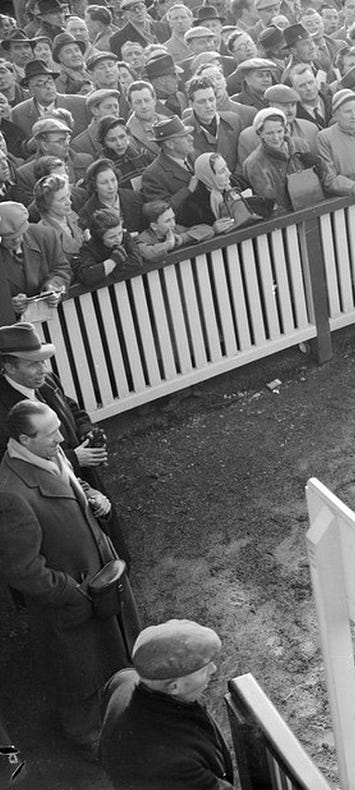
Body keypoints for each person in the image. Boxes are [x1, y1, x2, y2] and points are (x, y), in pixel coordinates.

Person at [0, 400, 140, 755]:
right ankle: (89, 739)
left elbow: (71, 483)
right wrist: (72, 592)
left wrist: (93, 497)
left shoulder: (46, 454)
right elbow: (23, 571)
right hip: (69, 602)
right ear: (23, 440)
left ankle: (120, 713)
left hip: (100, 580)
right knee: (79, 672)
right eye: (51, 436)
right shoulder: (10, 495)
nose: (62, 439)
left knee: (111, 653)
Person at [0, 322, 131, 560]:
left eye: (42, 361)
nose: (42, 369)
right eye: (33, 364)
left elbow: (73, 409)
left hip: (85, 476)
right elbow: (8, 462)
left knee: (107, 532)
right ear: (9, 367)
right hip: (50, 496)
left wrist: (87, 432)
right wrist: (73, 458)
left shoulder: (47, 380)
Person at [99, 619, 233, 789]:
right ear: (174, 686)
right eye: (203, 668)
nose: (213, 669)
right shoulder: (177, 763)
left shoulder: (123, 680)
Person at [0, 201, 68, 325]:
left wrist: (53, 287)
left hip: (57, 320)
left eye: (21, 233)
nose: (17, 240)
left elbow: (61, 268)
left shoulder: (45, 236)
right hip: (15, 329)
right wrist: (9, 306)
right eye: (9, 238)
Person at [243, 107, 319, 214]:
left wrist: (318, 166)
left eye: (279, 131)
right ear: (260, 133)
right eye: (270, 133)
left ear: (285, 129)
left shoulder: (300, 145)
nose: (276, 137)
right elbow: (269, 202)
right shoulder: (254, 164)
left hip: (314, 208)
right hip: (285, 220)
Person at [75, 208, 143, 286]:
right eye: (112, 237)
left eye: (119, 233)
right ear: (99, 238)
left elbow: (137, 261)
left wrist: (106, 272)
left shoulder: (125, 236)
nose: (118, 239)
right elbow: (88, 276)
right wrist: (113, 261)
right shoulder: (88, 249)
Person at [32, 173, 87, 265]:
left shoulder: (73, 216)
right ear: (46, 204)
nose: (69, 202)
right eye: (62, 199)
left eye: (68, 196)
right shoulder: (42, 234)